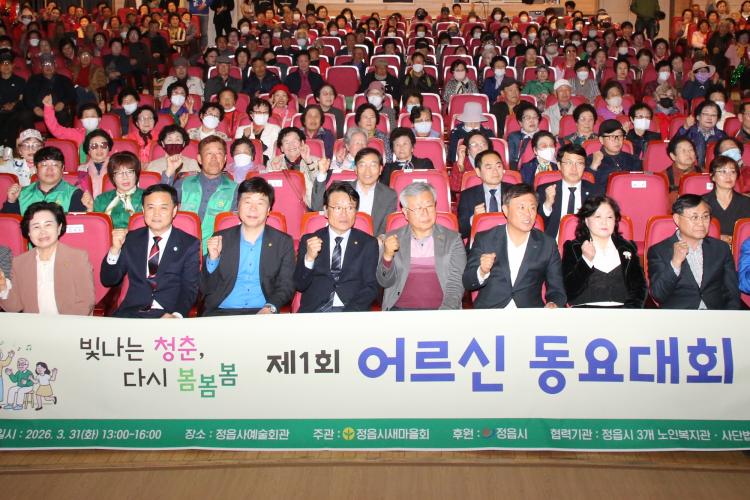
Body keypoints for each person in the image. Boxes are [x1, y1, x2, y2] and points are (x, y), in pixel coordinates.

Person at [101, 183, 201, 318]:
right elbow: (109, 280)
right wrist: (114, 250)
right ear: (143, 210)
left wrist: (177, 315)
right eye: (151, 207)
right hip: (131, 313)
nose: (156, 214)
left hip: (167, 315)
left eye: (163, 208)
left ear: (174, 211)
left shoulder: (189, 244)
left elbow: (189, 288)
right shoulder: (130, 239)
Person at [201, 177, 295, 316]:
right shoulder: (220, 238)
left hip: (263, 312)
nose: (253, 209)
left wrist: (270, 307)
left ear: (268, 210)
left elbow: (286, 285)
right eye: (247, 202)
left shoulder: (283, 242)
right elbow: (205, 288)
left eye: (260, 203)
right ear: (238, 206)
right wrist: (213, 260)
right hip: (222, 312)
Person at [463, 183, 567, 308]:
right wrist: (482, 271)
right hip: (491, 312)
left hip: (529, 313)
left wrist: (553, 303)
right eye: (521, 207)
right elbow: (467, 282)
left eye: (532, 208)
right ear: (506, 210)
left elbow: (557, 290)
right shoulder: (485, 239)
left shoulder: (548, 245)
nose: (528, 214)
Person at [377, 182, 466, 310]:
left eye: (429, 206)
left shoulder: (453, 239)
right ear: (405, 212)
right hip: (400, 311)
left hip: (442, 311)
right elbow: (384, 282)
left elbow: (456, 284)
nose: (425, 213)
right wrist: (387, 256)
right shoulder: (392, 239)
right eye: (418, 208)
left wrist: (445, 313)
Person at [294, 182, 379, 312]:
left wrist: (348, 314)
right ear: (326, 211)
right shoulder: (309, 241)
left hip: (352, 311)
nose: (344, 214)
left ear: (356, 211)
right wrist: (309, 259)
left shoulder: (368, 243)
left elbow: (371, 287)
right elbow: (299, 285)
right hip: (315, 311)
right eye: (338, 208)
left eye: (350, 208)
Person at [0, 200, 95, 315]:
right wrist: (3, 288)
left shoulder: (77, 258)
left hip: (70, 322)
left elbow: (86, 302)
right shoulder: (20, 262)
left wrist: (63, 324)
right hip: (34, 324)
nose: (42, 232)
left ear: (59, 228)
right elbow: (14, 307)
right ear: (28, 232)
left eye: (48, 225)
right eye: (36, 227)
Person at [647, 194, 740, 309]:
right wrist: (675, 263)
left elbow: (732, 292)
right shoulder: (659, 251)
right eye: (694, 217)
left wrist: (730, 317)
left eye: (705, 217)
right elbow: (658, 295)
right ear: (677, 219)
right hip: (680, 316)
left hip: (715, 315)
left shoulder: (721, 249)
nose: (701, 223)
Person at [562, 195, 647, 307]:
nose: (604, 222)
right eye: (598, 217)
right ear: (586, 221)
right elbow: (568, 291)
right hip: (584, 313)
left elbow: (639, 288)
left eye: (609, 217)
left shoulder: (627, 248)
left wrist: (629, 311)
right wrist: (586, 261)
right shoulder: (573, 248)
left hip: (623, 313)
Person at [170, 136, 237, 252]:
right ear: (199, 159)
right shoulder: (183, 183)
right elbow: (161, 203)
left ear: (225, 159)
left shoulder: (235, 189)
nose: (214, 158)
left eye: (219, 153)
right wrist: (169, 173)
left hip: (215, 252)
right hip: (179, 249)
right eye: (209, 153)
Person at [312, 147, 397, 237]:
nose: (367, 171)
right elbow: (318, 207)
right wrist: (322, 173)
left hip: (372, 242)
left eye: (373, 165)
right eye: (362, 165)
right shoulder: (341, 188)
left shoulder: (389, 195)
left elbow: (386, 228)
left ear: (380, 169)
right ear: (355, 169)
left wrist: (381, 238)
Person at [2, 146, 88, 215]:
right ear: (36, 169)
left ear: (62, 168)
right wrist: (11, 202)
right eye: (44, 165)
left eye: (55, 165)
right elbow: (8, 227)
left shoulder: (75, 194)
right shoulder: (21, 194)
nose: (49, 170)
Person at [537, 143, 596, 238]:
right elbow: (537, 225)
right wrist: (547, 205)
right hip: (553, 243)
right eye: (569, 163)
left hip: (585, 242)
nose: (574, 168)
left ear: (584, 166)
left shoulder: (595, 192)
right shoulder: (545, 190)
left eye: (579, 163)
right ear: (559, 165)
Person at [457, 150, 513, 240]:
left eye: (498, 166)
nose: (495, 171)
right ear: (478, 172)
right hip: (480, 243)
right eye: (489, 167)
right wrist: (474, 219)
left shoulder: (515, 192)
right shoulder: (467, 195)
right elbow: (461, 231)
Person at [587, 119, 643, 195]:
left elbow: (639, 185)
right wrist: (593, 168)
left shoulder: (633, 159)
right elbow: (586, 189)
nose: (617, 140)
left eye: (620, 136)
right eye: (612, 136)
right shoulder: (591, 160)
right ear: (601, 140)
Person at [703, 156, 750, 244]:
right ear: (712, 176)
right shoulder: (701, 203)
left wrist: (737, 239)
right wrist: (717, 236)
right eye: (723, 171)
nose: (729, 176)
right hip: (710, 248)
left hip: (741, 249)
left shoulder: (746, 202)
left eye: (733, 172)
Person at [93, 152, 144, 230]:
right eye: (119, 173)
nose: (125, 177)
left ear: (136, 174)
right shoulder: (101, 200)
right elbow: (96, 228)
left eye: (129, 172)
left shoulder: (147, 197)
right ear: (112, 177)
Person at [676, 100, 727, 167]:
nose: (709, 118)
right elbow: (674, 146)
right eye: (706, 114)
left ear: (718, 119)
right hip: (690, 169)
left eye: (713, 115)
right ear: (698, 117)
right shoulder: (688, 132)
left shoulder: (722, 136)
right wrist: (685, 128)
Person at [76, 130, 113, 198]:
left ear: (109, 148)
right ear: (88, 150)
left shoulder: (117, 166)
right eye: (94, 146)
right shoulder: (81, 170)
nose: (99, 149)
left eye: (103, 145)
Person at [665, 136, 701, 203]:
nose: (688, 153)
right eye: (683, 151)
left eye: (690, 150)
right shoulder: (664, 178)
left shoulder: (705, 174)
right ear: (673, 156)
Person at [507, 103, 542, 170]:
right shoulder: (514, 137)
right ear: (520, 123)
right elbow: (511, 160)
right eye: (527, 118)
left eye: (535, 117)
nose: (532, 120)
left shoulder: (545, 137)